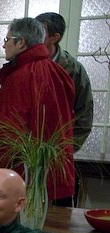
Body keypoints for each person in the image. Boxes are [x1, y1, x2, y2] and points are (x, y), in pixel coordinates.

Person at [0, 17, 75, 206]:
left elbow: (7, 133)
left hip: (26, 176)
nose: (4, 45)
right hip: (57, 172)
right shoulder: (58, 72)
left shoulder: (20, 77)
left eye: (7, 40)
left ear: (21, 42)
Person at [36, 12, 93, 153]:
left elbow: (84, 112)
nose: (34, 35)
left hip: (58, 149)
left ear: (55, 37)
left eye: (40, 31)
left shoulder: (74, 70)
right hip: (25, 148)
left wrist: (66, 148)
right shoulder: (25, 63)